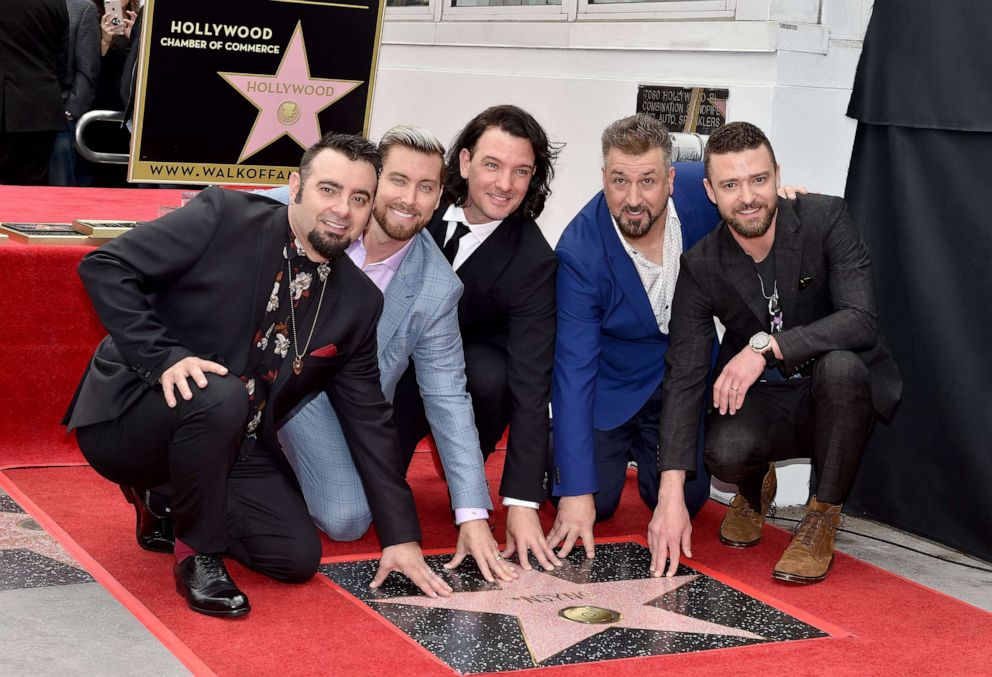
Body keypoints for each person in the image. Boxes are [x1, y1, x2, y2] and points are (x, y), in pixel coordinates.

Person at [63, 133, 453, 618]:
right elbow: (106, 265)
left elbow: (370, 418)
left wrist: (401, 537)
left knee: (294, 557)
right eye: (328, 190)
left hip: (234, 440)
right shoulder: (224, 217)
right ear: (295, 188)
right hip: (133, 416)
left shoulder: (358, 303)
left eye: (359, 198)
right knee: (220, 394)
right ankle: (197, 556)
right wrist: (164, 357)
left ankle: (165, 496)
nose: (342, 210)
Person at [648, 122, 902, 583]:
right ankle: (752, 487)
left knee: (842, 368)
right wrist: (670, 493)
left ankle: (821, 517)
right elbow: (683, 374)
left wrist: (765, 349)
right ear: (710, 192)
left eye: (758, 179)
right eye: (730, 184)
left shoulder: (826, 219)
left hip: (835, 391)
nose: (747, 196)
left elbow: (860, 320)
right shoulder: (703, 265)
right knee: (722, 449)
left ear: (777, 175)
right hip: (766, 398)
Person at [265, 126, 516, 584]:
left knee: (348, 519)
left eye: (426, 187)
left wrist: (472, 514)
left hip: (335, 407)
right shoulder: (309, 214)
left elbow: (448, 396)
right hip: (260, 366)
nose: (410, 199)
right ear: (373, 181)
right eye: (398, 180)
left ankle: (270, 454)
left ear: (440, 196)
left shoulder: (438, 286)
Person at [395, 105, 562, 570]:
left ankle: (462, 473)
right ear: (465, 163)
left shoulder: (533, 261)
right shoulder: (415, 205)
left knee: (492, 373)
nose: (505, 184)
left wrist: (522, 503)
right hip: (389, 376)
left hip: (467, 390)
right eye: (493, 165)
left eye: (521, 171)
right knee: (352, 510)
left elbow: (532, 386)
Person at [549, 114, 719, 558]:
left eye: (648, 180)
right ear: (604, 177)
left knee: (692, 498)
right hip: (612, 386)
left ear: (671, 179)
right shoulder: (579, 251)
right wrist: (575, 491)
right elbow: (573, 369)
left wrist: (785, 194)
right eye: (620, 181)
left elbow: (751, 191)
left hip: (681, 381)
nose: (633, 198)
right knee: (595, 503)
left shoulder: (705, 194)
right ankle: (562, 454)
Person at [0, 0, 68, 185]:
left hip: (8, 107)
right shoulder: (57, 4)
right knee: (34, 188)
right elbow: (63, 63)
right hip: (43, 106)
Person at [49, 0, 102, 186]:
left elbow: (88, 69)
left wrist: (71, 112)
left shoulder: (82, 8)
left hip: (62, 118)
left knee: (60, 189)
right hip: (21, 117)